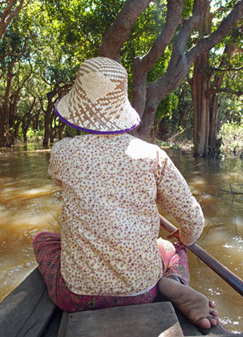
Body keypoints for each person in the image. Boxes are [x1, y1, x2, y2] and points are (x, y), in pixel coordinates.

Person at [33, 56, 219, 329]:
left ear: (78, 107)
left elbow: (61, 183)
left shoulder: (63, 152)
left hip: (76, 297)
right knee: (172, 248)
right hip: (143, 292)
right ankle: (173, 282)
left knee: (44, 240)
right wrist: (185, 236)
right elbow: (193, 221)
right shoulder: (152, 155)